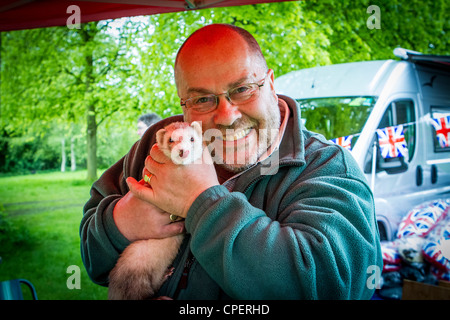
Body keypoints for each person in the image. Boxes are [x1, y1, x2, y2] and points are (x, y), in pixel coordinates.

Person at [80, 24, 382, 299]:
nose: (226, 115)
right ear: (183, 103)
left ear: (271, 84)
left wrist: (201, 202)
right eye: (201, 99)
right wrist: (123, 221)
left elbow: (334, 287)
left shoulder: (327, 168)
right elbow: (93, 259)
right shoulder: (158, 142)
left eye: (242, 89)